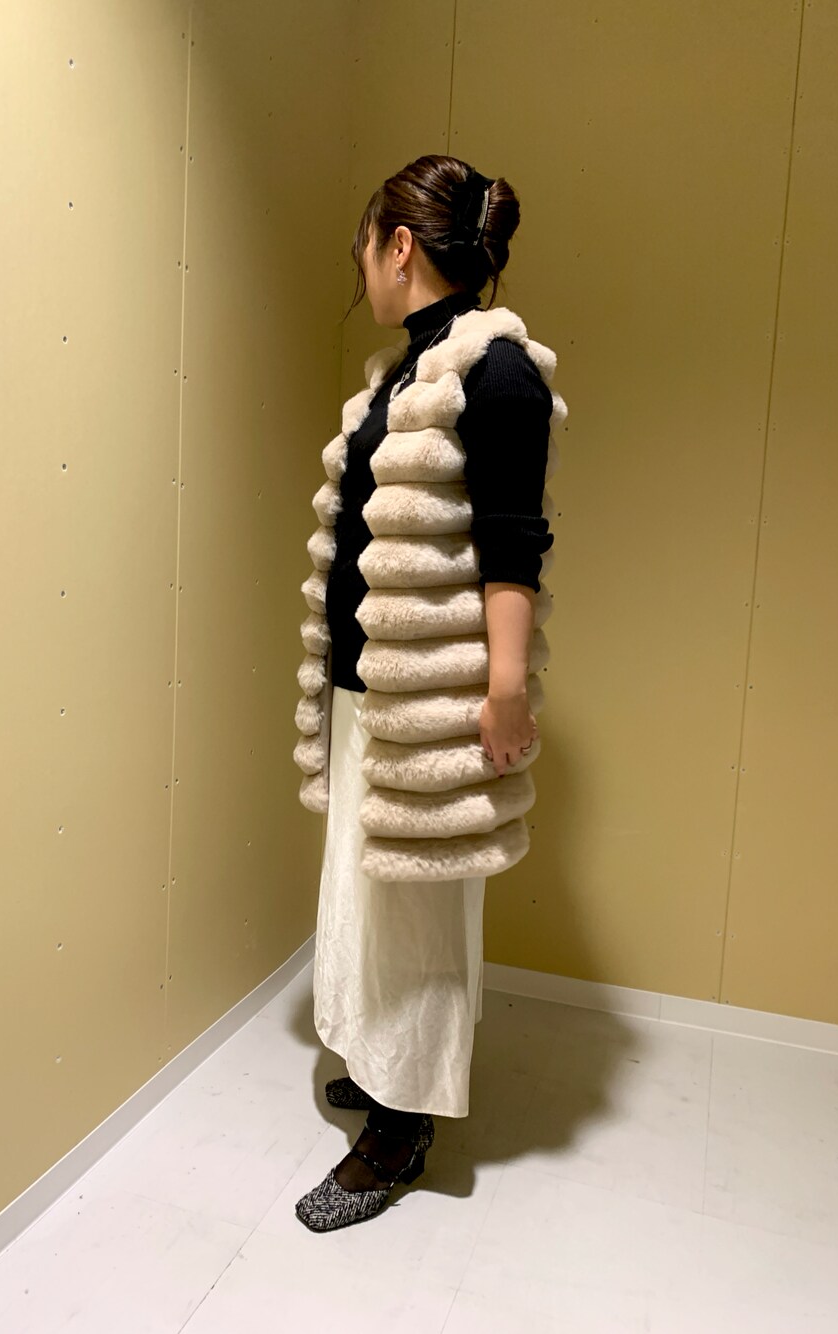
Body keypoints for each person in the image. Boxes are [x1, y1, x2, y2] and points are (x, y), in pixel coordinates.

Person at [294, 154, 557, 1233]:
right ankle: (383, 1066)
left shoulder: (497, 373)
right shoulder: (404, 374)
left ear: (398, 246)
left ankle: (402, 1130)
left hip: (436, 707)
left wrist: (506, 690)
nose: (362, 266)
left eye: (365, 247)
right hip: (373, 694)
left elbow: (512, 544)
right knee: (369, 901)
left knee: (418, 914)